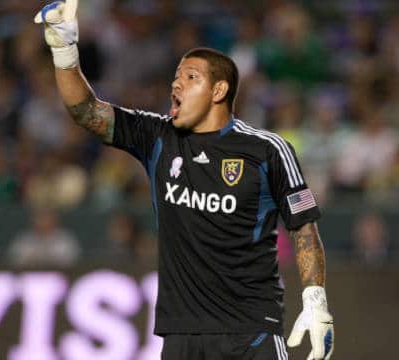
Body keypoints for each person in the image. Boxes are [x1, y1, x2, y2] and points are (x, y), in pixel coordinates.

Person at [34, 1, 334, 359]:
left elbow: (303, 227)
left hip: (250, 332)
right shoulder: (158, 137)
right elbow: (86, 111)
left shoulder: (267, 150)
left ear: (219, 91)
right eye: (176, 75)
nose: (176, 82)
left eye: (190, 76)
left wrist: (315, 301)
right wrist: (64, 50)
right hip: (181, 337)